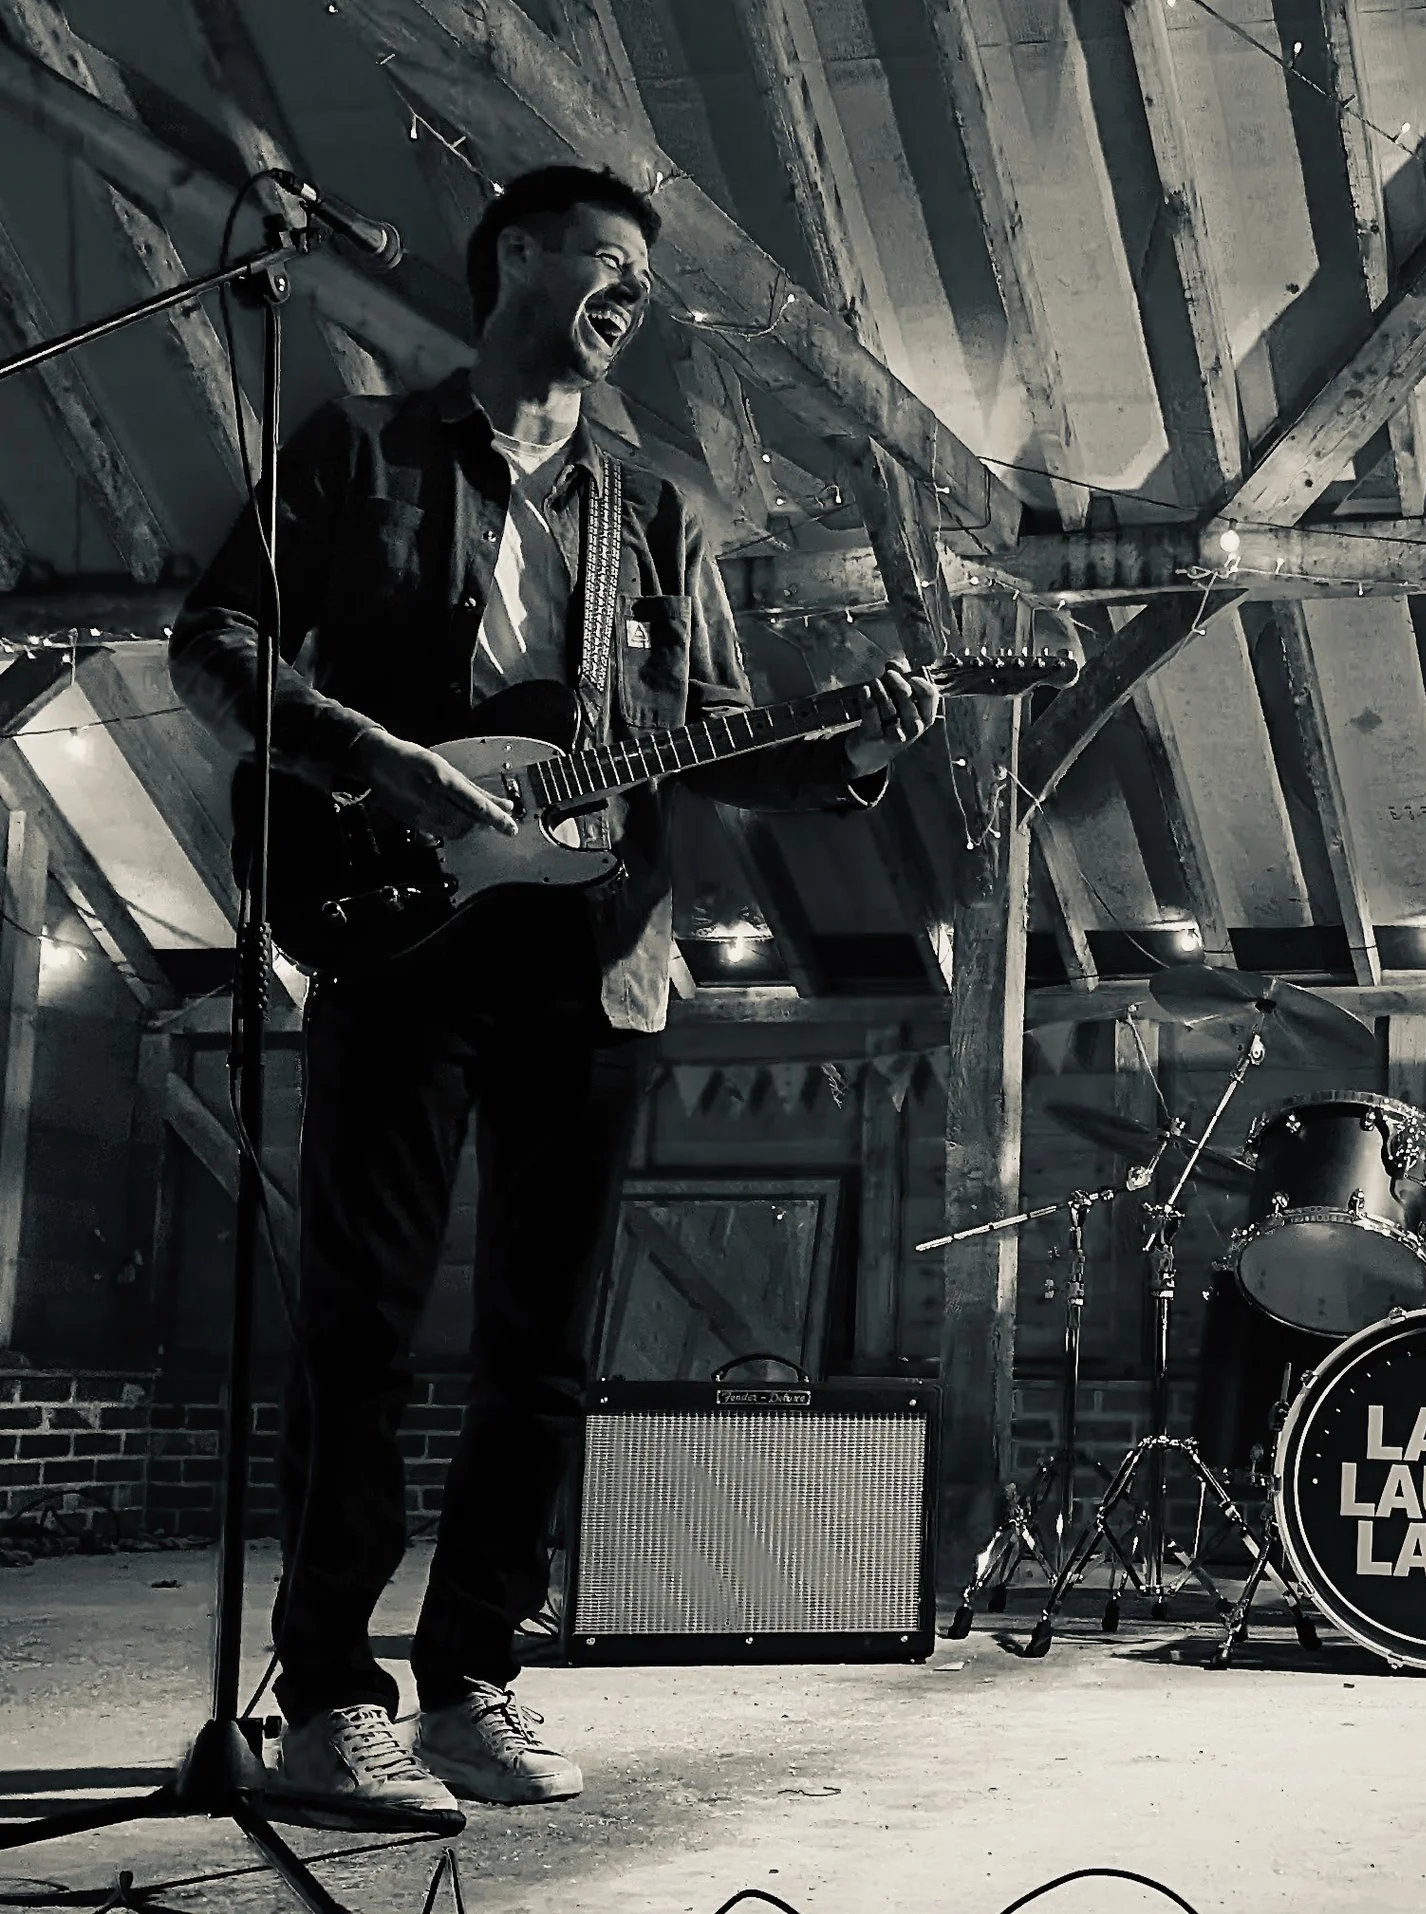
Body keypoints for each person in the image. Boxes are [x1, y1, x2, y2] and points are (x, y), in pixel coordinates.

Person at [170, 167, 941, 1831]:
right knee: (362, 1326)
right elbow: (215, 643)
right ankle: (328, 1695)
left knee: (542, 1346)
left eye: (642, 280)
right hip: (393, 929)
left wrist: (859, 745)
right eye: (606, 260)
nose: (630, 297)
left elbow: (720, 730)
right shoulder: (358, 449)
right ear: (515, 257)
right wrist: (383, 764)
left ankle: (471, 1677)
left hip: (594, 959)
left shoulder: (651, 508)